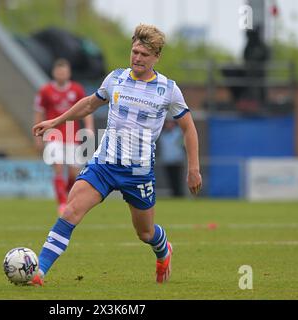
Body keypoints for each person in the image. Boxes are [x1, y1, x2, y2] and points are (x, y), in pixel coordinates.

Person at [31, 24, 202, 286]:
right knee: (70, 211)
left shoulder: (169, 89)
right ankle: (39, 272)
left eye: (144, 54)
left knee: (144, 233)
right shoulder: (115, 79)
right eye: (134, 52)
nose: (137, 58)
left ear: (156, 56)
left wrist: (193, 169)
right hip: (105, 164)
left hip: (138, 172)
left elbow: (188, 128)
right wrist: (56, 121)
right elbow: (89, 104)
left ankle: (163, 248)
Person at [34, 58, 94, 215]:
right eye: (59, 71)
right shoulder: (45, 91)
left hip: (72, 135)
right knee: (58, 167)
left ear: (69, 73)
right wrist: (38, 137)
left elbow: (87, 108)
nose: (61, 74)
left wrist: (89, 127)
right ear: (54, 73)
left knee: (74, 174)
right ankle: (61, 203)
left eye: (64, 71)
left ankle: (65, 196)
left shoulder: (77, 89)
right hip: (54, 136)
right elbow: (39, 114)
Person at [159, 119, 186, 197]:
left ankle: (179, 195)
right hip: (167, 161)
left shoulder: (178, 133)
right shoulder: (163, 135)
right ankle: (174, 195)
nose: (169, 125)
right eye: (167, 123)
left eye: (170, 123)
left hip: (177, 161)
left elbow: (183, 144)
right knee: (170, 180)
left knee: (178, 179)